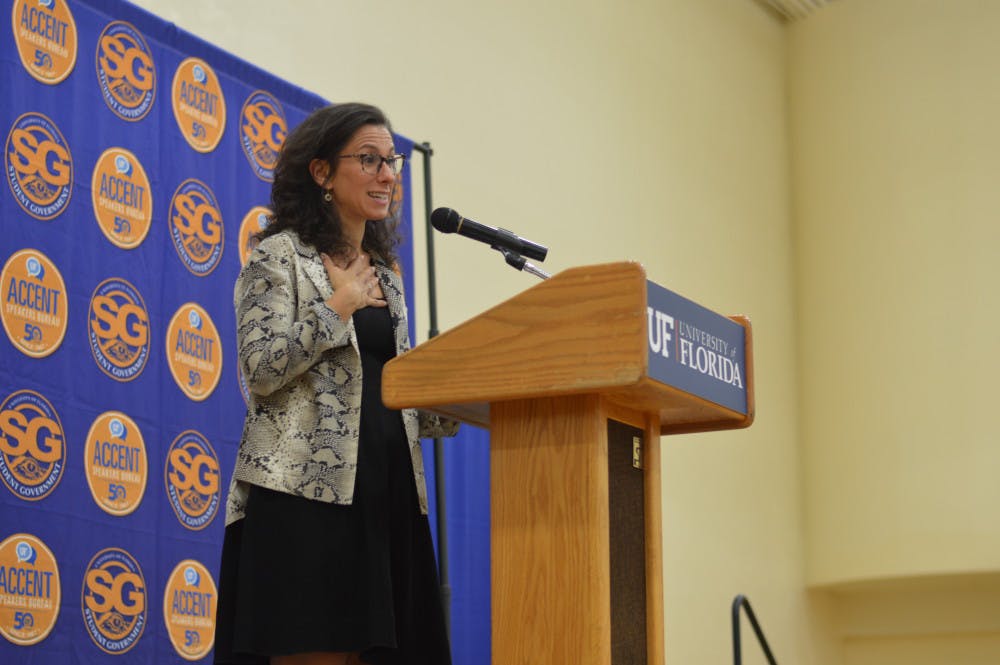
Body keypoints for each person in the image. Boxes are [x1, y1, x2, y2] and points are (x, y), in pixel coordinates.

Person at [214, 102, 459, 665]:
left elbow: (382, 389)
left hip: (386, 494)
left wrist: (460, 399)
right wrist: (338, 306)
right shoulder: (278, 256)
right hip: (306, 497)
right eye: (369, 160)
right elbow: (261, 368)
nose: (387, 175)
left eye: (391, 161)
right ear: (322, 172)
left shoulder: (387, 272)